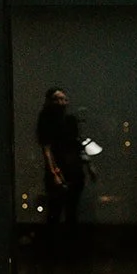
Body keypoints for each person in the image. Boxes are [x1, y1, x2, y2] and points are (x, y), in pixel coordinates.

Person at [35, 86, 87, 250]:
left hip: (73, 170)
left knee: (71, 211)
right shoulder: (46, 120)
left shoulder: (70, 120)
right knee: (55, 211)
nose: (61, 102)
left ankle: (68, 248)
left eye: (63, 99)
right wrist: (53, 172)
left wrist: (88, 165)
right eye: (57, 99)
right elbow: (47, 148)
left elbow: (78, 144)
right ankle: (53, 248)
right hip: (59, 169)